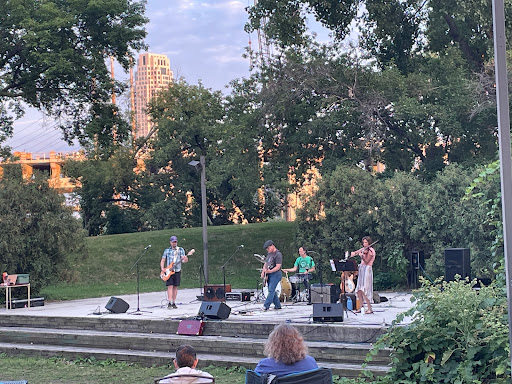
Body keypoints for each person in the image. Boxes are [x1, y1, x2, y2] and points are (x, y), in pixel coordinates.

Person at [161, 235, 189, 309]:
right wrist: (162, 268)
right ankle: (169, 302)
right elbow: (163, 259)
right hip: (169, 270)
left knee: (175, 286)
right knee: (170, 286)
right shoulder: (167, 250)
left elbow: (183, 260)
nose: (174, 243)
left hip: (177, 270)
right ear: (170, 242)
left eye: (175, 242)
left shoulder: (180, 250)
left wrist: (185, 259)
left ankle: (174, 302)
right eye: (173, 242)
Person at [350, 236, 375, 314]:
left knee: (365, 289)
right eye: (363, 242)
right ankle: (361, 307)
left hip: (367, 269)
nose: (364, 244)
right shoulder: (364, 249)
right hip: (362, 269)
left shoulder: (371, 251)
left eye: (366, 242)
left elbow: (367, 261)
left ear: (369, 243)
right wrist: (353, 253)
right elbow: (355, 252)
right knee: (359, 290)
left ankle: (369, 308)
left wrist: (362, 256)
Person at [261, 240, 282, 311]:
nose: (267, 250)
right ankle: (277, 305)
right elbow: (266, 263)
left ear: (272, 246)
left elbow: (278, 266)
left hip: (276, 274)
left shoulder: (278, 254)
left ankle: (266, 305)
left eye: (268, 248)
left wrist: (270, 271)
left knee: (271, 290)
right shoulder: (269, 254)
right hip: (269, 274)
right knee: (272, 290)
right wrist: (263, 271)